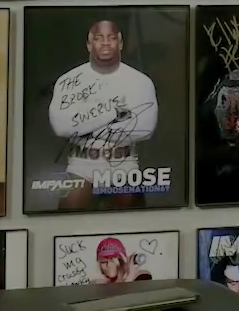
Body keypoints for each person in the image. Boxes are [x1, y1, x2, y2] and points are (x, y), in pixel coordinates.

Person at [48, 18, 160, 211]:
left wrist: (83, 125)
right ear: (89, 45)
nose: (106, 43)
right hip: (81, 165)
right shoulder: (68, 81)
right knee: (68, 220)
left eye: (111, 37)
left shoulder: (140, 81)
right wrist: (113, 115)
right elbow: (61, 127)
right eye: (99, 38)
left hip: (124, 164)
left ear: (121, 43)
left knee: (131, 222)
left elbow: (144, 129)